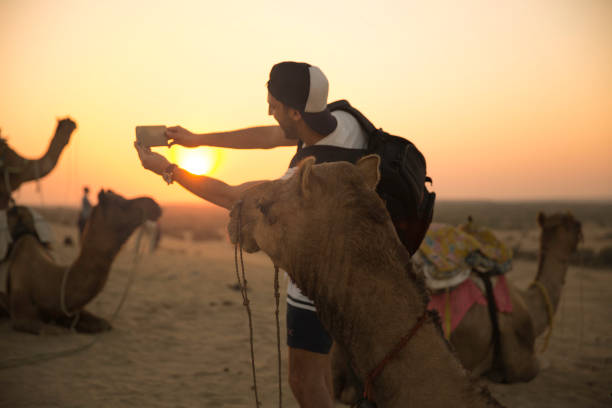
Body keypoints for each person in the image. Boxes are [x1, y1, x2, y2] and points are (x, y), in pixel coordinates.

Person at [134, 61, 368, 408]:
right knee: (320, 375)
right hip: (350, 255)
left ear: (294, 112)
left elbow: (231, 196)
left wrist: (167, 170)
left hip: (318, 277)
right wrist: (197, 140)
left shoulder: (306, 177)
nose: (268, 110)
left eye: (273, 105)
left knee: (303, 380)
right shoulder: (341, 120)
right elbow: (269, 136)